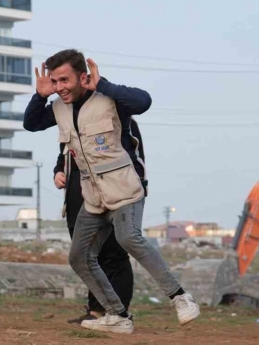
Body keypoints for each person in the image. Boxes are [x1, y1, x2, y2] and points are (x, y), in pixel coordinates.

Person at [23, 49, 199, 334]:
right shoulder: (59, 106)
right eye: (55, 82)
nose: (60, 87)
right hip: (92, 197)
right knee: (78, 257)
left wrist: (103, 85)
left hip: (124, 190)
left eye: (64, 80)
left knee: (128, 238)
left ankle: (181, 297)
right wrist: (41, 95)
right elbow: (31, 124)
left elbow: (145, 101)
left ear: (83, 76)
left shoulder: (111, 99)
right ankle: (118, 316)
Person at [56, 118, 145, 324]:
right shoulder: (69, 119)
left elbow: (137, 161)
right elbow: (64, 157)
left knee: (114, 255)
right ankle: (96, 310)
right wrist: (58, 172)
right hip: (79, 199)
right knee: (87, 257)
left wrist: (135, 198)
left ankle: (119, 314)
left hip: (115, 197)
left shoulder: (123, 119)